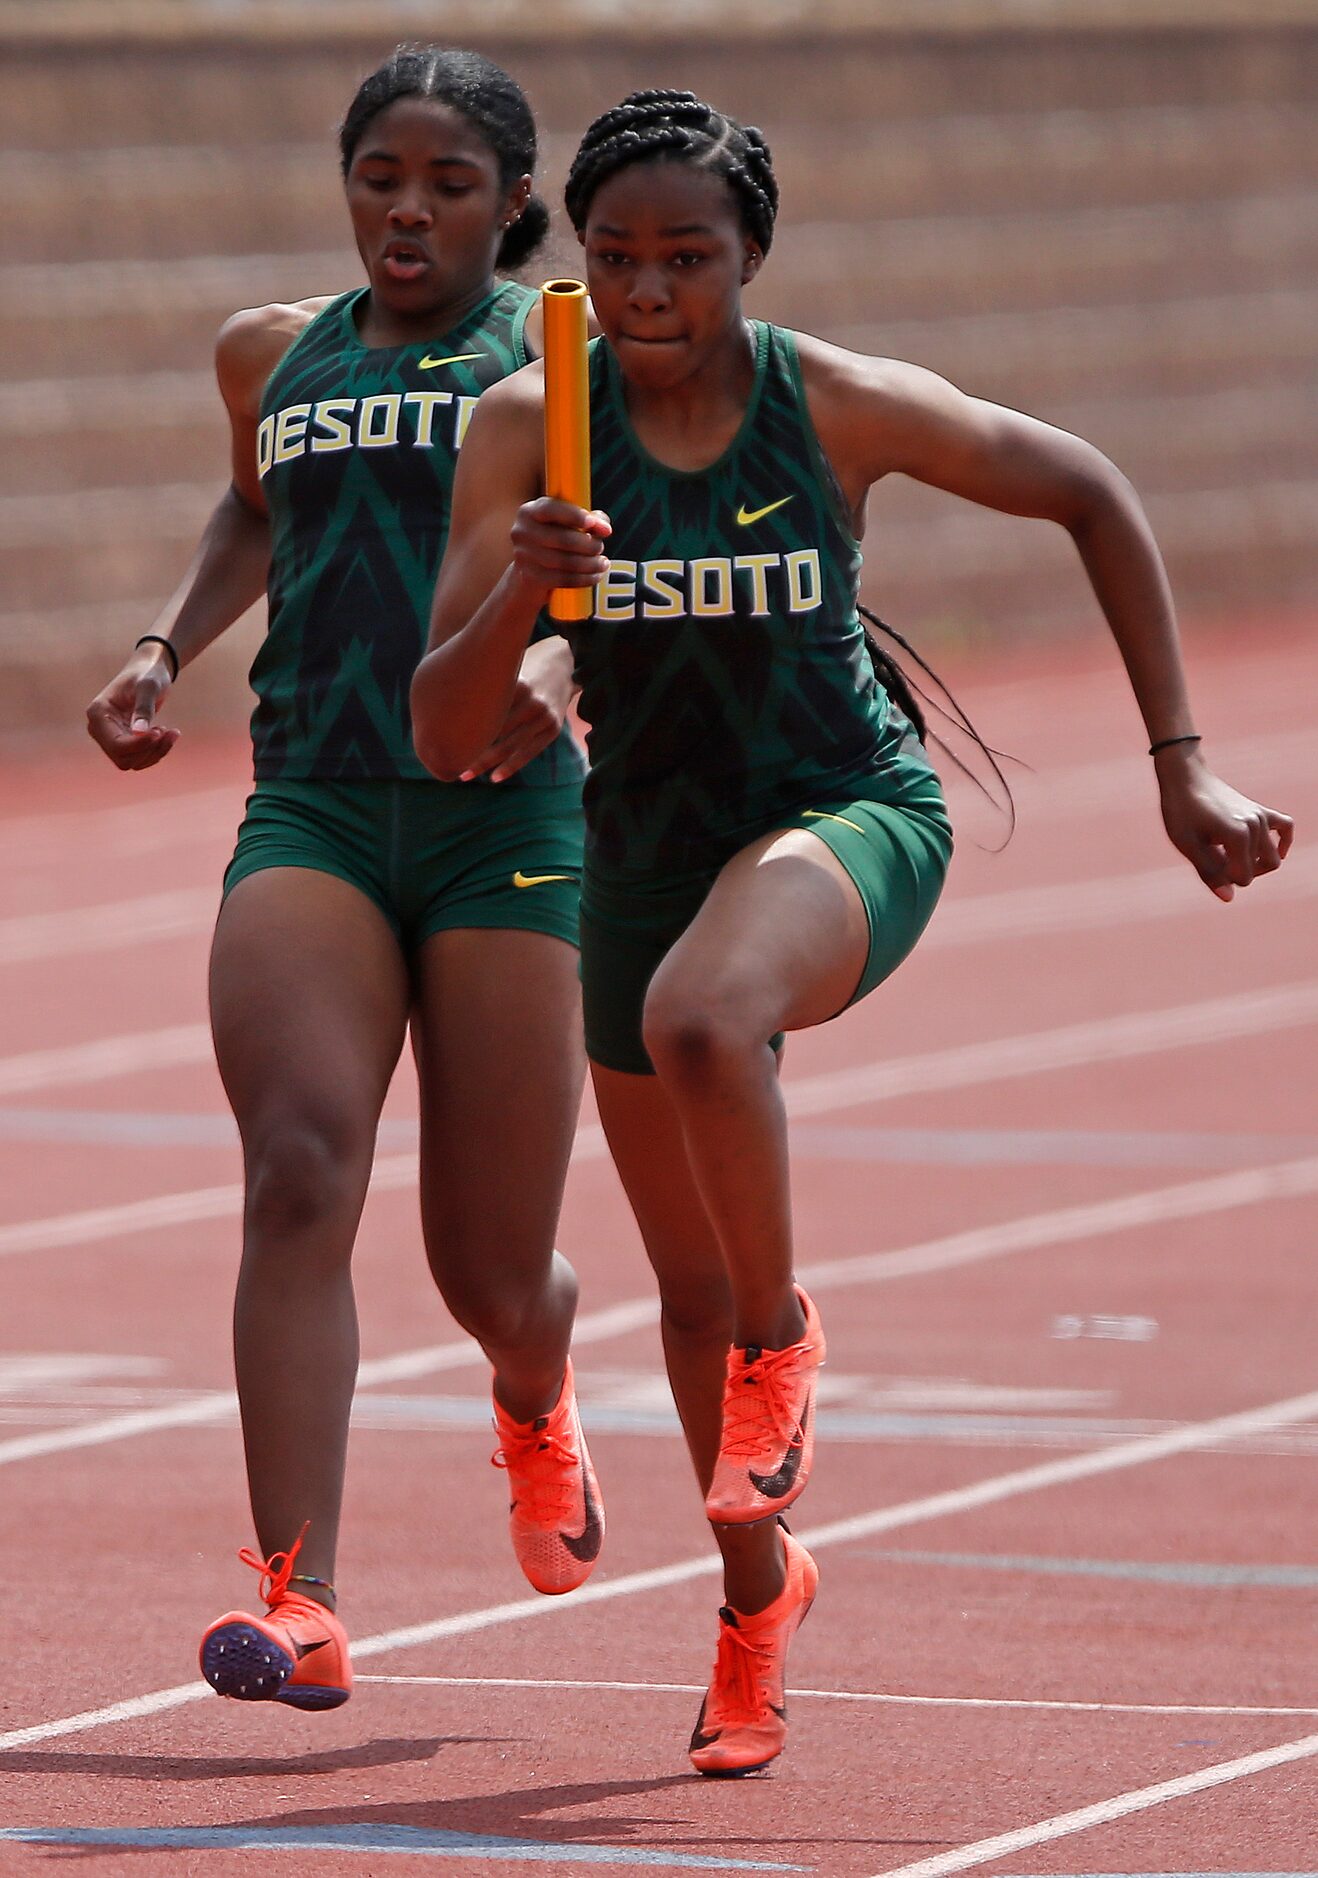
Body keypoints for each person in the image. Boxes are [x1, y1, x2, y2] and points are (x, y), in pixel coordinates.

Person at [410, 89, 1292, 1775]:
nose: (654, 289)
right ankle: (754, 1602)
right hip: (642, 840)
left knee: (701, 1019)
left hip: (846, 811)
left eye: (690, 257)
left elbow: (1089, 488)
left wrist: (1180, 767)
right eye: (616, 258)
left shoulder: (832, 404)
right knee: (678, 1287)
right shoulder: (535, 424)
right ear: (574, 265)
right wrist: (524, 589)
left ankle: (784, 1331)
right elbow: (449, 728)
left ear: (752, 258)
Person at [85, 47, 604, 1714]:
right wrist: (165, 645)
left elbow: (618, 551)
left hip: (499, 817)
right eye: (383, 174)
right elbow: (256, 510)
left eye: (450, 184)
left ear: (514, 204)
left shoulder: (555, 350)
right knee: (299, 1168)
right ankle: (299, 1594)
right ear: (347, 181)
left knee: (488, 1267)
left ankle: (533, 1380)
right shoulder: (271, 351)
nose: (409, 208)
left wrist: (565, 677)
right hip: (309, 799)